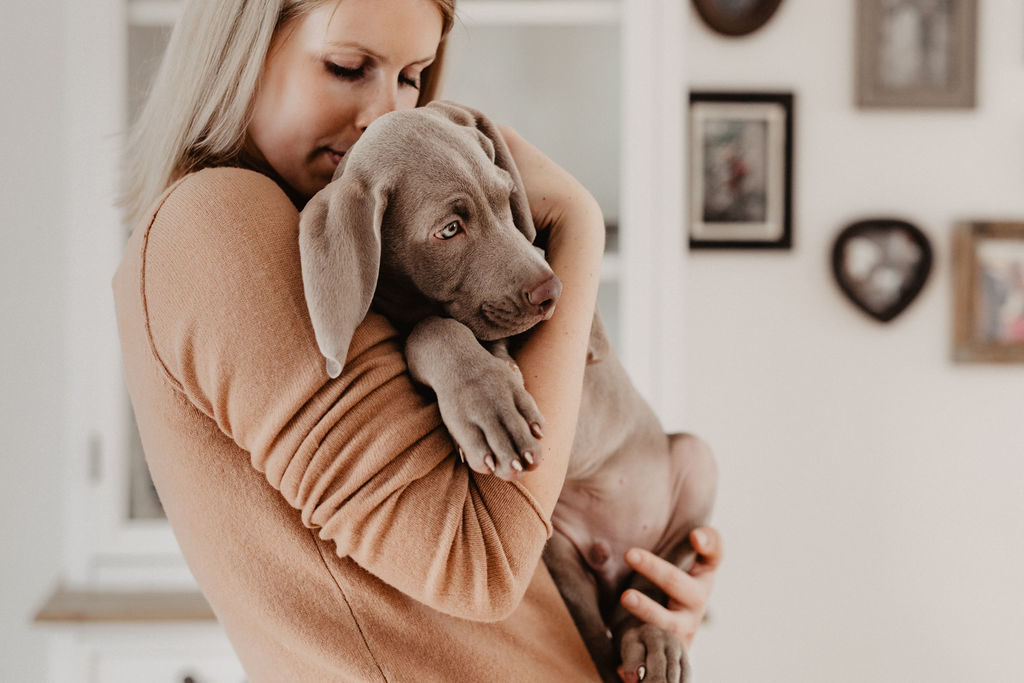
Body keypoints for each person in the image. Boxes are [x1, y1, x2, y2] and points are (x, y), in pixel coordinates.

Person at [113, 0, 723, 680]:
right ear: (241, 53)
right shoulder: (218, 221)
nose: (388, 113)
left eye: (412, 76)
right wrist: (577, 227)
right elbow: (477, 565)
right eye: (348, 67)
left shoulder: (353, 235)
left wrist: (640, 612)